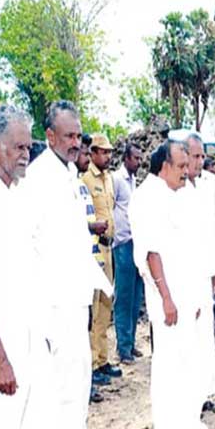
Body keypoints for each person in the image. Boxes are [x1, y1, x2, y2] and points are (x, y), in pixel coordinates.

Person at [25, 100, 112, 429]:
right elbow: (36, 247)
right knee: (61, 390)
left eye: (79, 135)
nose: (77, 142)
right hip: (54, 304)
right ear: (50, 136)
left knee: (77, 385)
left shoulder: (65, 175)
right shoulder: (40, 178)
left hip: (75, 299)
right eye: (70, 136)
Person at [0, 105, 63, 429]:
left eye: (28, 146)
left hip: (27, 338)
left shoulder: (16, 195)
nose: (25, 154)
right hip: (2, 348)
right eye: (18, 147)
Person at [129, 140, 212, 429]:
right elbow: (151, 252)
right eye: (180, 166)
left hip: (182, 297)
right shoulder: (148, 197)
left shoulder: (170, 193)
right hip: (168, 301)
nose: (187, 171)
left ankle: (183, 427)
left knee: (183, 365)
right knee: (167, 367)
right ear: (164, 166)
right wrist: (167, 298)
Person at [180, 133, 215, 405]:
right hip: (186, 271)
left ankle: (205, 389)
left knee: (205, 331)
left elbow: (213, 227)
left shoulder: (209, 184)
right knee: (189, 334)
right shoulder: (177, 186)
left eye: (201, 157)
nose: (198, 162)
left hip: (205, 267)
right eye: (194, 157)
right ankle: (191, 394)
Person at [81, 134, 120, 386]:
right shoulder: (86, 178)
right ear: (93, 153)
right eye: (103, 152)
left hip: (109, 248)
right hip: (94, 250)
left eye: (109, 152)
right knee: (94, 309)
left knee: (106, 305)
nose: (107, 156)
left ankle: (104, 360)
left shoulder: (108, 179)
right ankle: (93, 363)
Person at [112, 143, 145, 364]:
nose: (138, 162)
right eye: (135, 158)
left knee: (136, 297)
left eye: (140, 158)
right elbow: (110, 207)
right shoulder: (116, 180)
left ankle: (131, 343)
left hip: (137, 242)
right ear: (125, 158)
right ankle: (122, 347)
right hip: (122, 243)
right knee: (123, 297)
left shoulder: (134, 182)